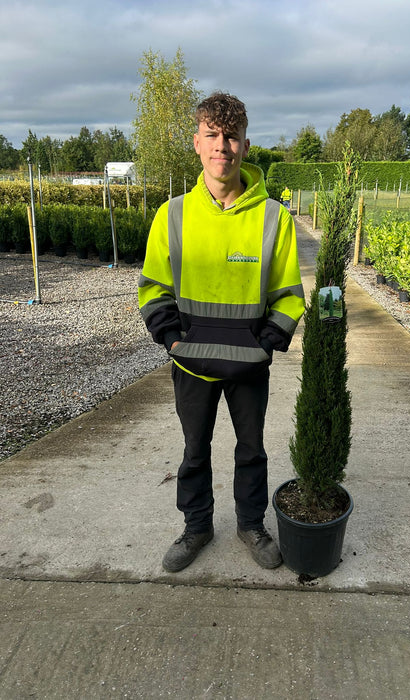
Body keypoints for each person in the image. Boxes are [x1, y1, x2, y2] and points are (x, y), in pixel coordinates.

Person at [138, 92, 305, 572]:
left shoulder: (273, 217)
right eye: (212, 135)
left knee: (251, 450)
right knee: (195, 450)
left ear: (246, 145)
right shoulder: (172, 215)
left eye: (230, 136)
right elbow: (152, 289)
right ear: (197, 143)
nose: (222, 147)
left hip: (249, 365)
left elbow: (290, 295)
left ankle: (250, 525)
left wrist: (266, 344)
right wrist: (172, 340)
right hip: (190, 362)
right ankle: (196, 528)